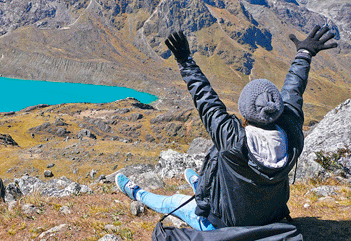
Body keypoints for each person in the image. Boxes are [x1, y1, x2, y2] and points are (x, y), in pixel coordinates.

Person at [116, 25, 338, 230]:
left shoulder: (233, 138)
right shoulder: (291, 131)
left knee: (175, 201)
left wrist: (185, 60)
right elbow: (293, 91)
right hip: (270, 218)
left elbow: (204, 97)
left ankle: (136, 193)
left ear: (245, 110)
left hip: (224, 224)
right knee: (218, 168)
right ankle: (201, 184)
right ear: (278, 108)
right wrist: (304, 54)